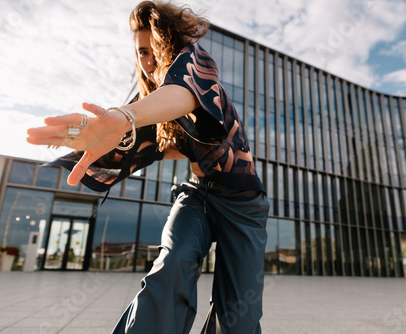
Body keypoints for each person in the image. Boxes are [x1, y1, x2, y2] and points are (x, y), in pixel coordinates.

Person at [27, 1, 269, 333]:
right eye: (141, 52)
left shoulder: (198, 65)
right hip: (197, 197)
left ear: (172, 42)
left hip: (242, 203)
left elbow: (183, 92)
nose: (149, 59)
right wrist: (91, 142)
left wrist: (126, 116)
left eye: (155, 47)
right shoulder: (157, 106)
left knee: (239, 317)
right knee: (172, 265)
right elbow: (150, 147)